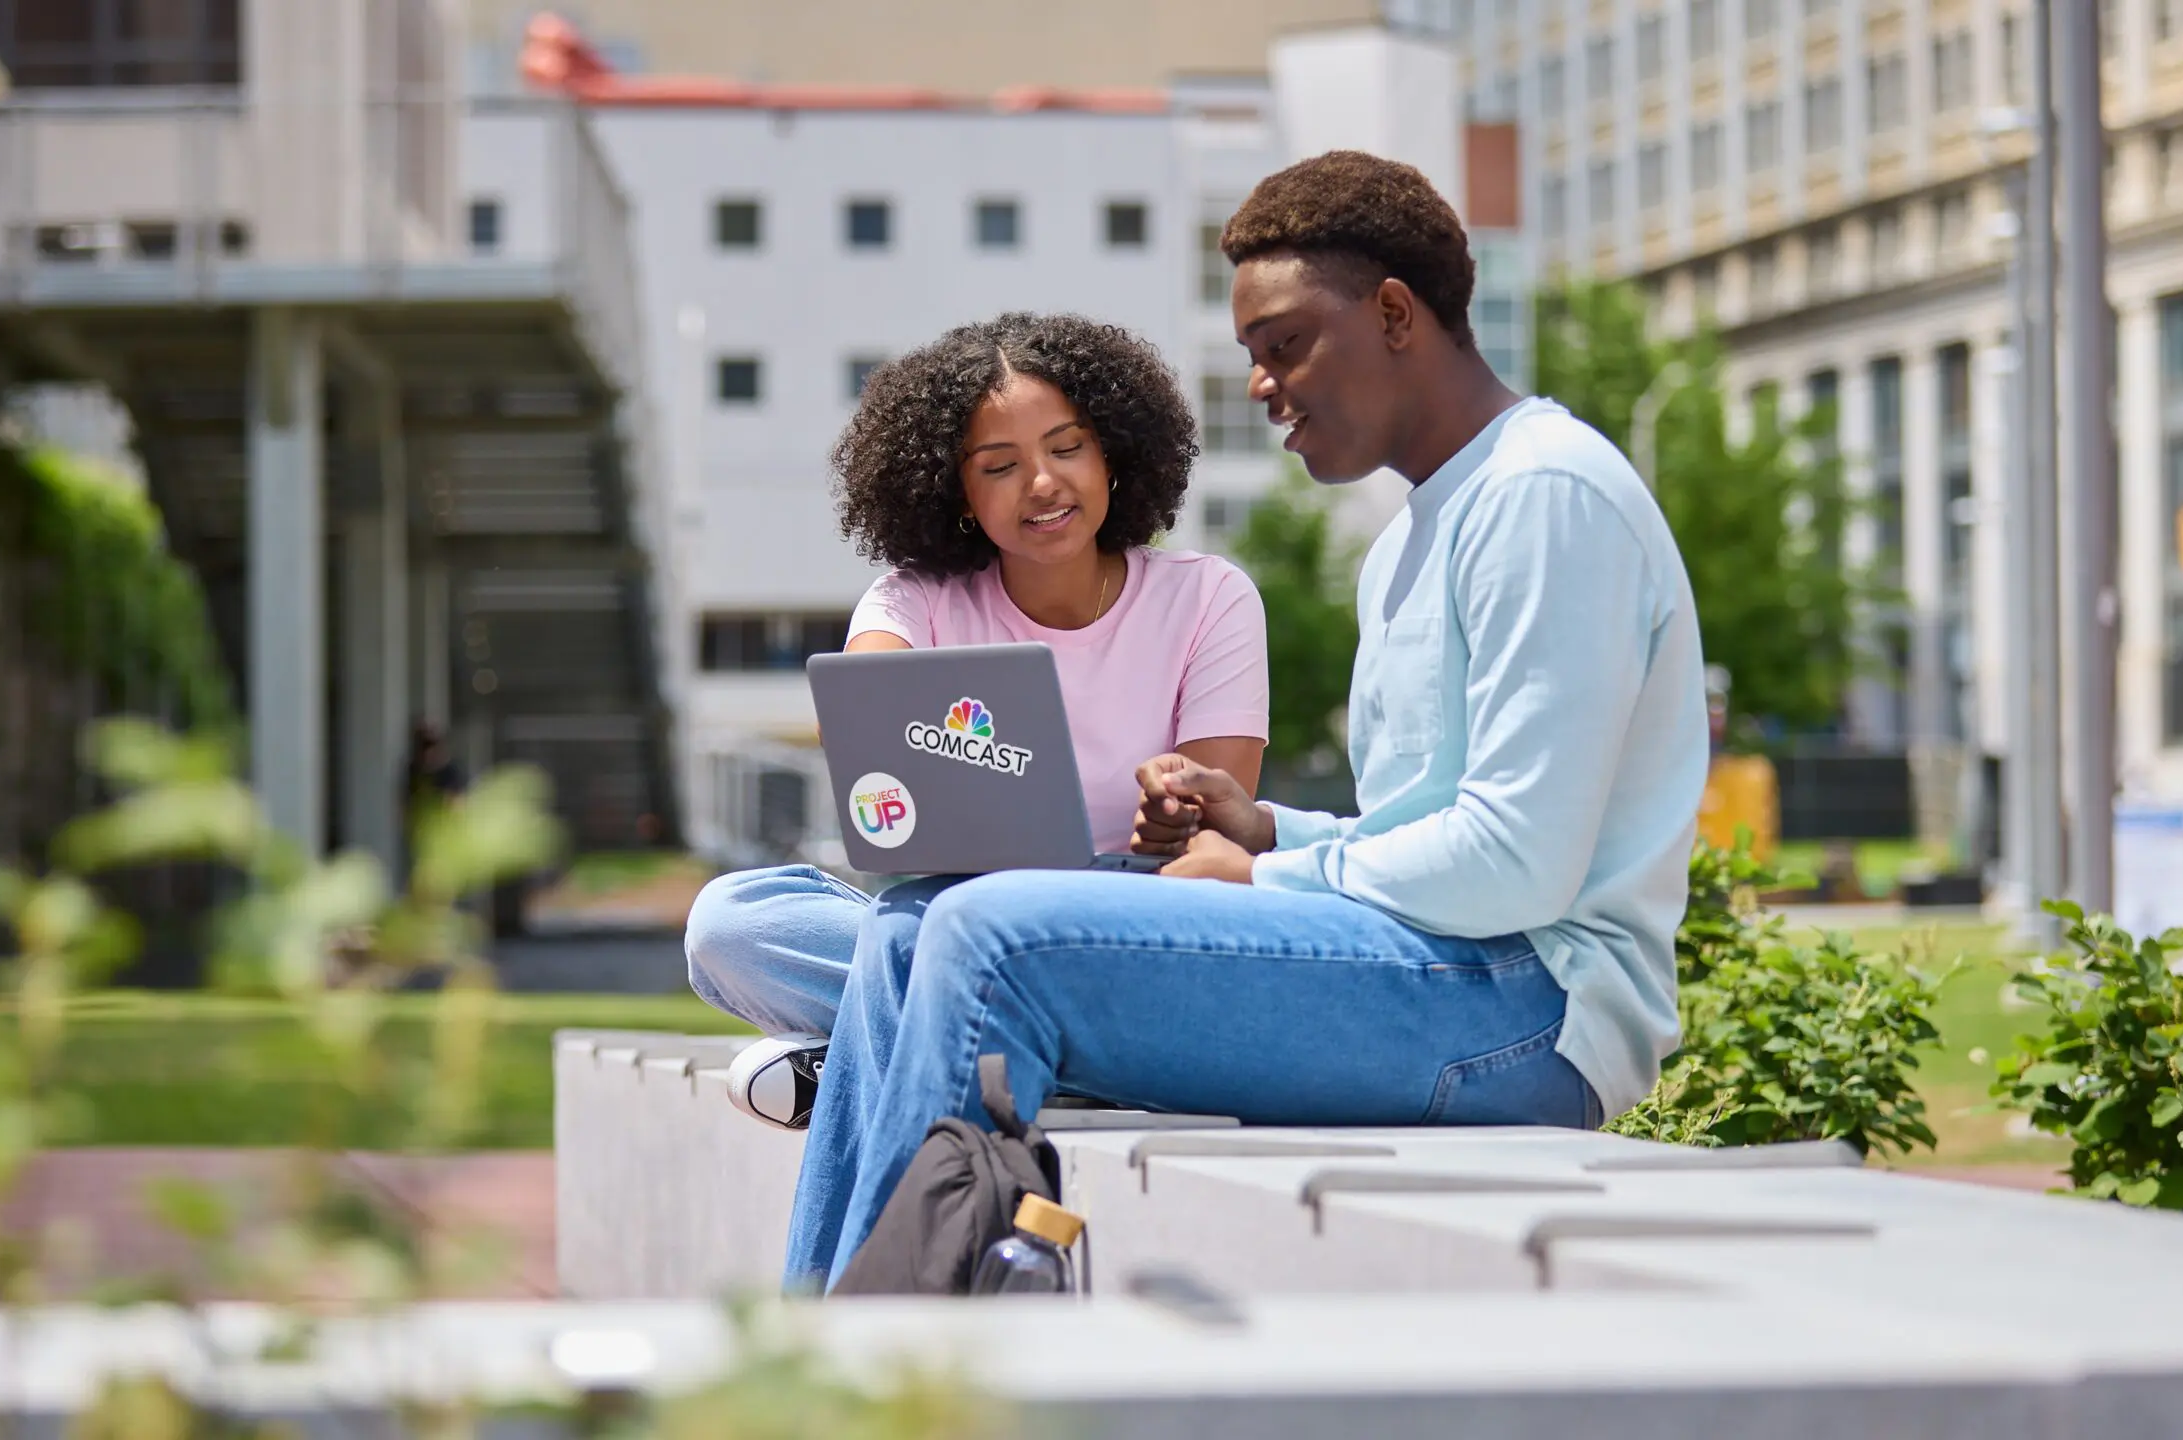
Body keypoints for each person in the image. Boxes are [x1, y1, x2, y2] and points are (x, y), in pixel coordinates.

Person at [782, 151, 1708, 1289]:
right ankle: (807, 1354)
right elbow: (1430, 827)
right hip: (1436, 963)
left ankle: (883, 1379)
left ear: (1393, 314)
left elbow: (1516, 867)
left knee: (987, 938)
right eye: (1252, 358)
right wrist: (1269, 829)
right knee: (910, 927)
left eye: (1283, 347)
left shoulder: (1542, 497)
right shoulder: (1418, 533)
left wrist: (1260, 880)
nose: (1263, 386)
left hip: (1527, 1008)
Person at [683, 312, 1271, 1107]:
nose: (1042, 483)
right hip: (959, 919)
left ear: (1113, 455)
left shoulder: (1209, 597)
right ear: (956, 491)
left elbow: (1219, 833)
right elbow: (863, 716)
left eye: (1068, 448)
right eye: (999, 466)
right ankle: (1050, 1061)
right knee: (732, 926)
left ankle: (913, 1051)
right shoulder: (912, 601)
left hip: (1130, 924)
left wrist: (1178, 802)